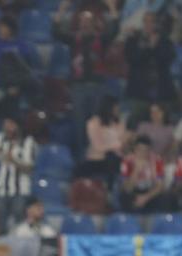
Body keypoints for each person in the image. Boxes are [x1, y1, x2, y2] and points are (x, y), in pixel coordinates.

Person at [52, 0, 119, 153]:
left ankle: (95, 154)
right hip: (78, 86)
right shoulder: (74, 39)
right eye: (82, 20)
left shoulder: (101, 39)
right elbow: (56, 32)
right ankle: (81, 156)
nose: (85, 23)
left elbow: (114, 30)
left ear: (94, 23)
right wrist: (62, 10)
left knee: (96, 122)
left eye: (88, 20)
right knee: (79, 123)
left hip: (97, 86)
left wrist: (112, 7)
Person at [124, 12, 176, 124]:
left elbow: (167, 59)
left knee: (162, 125)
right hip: (139, 92)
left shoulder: (164, 41)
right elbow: (132, 59)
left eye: (152, 21)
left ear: (156, 24)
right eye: (146, 21)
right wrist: (148, 48)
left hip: (161, 92)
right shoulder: (133, 39)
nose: (148, 24)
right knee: (137, 124)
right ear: (142, 23)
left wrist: (155, 46)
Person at [0, 116, 37, 232]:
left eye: (10, 124)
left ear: (17, 126)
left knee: (19, 223)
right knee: (0, 223)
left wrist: (13, 160)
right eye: (6, 124)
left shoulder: (28, 142)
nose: (7, 127)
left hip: (20, 190)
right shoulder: (0, 138)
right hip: (1, 189)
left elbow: (30, 167)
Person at [80, 95, 131, 188]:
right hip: (97, 159)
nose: (118, 110)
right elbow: (98, 147)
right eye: (116, 107)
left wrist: (123, 142)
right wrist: (117, 145)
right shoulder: (93, 123)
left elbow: (123, 142)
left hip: (117, 158)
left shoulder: (120, 122)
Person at [119, 135, 166, 213]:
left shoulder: (157, 161)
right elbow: (127, 188)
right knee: (124, 197)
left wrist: (146, 197)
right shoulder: (127, 161)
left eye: (145, 150)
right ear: (134, 149)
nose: (142, 153)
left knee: (164, 198)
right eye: (139, 150)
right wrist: (136, 170)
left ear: (150, 150)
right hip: (133, 191)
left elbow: (160, 186)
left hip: (150, 192)